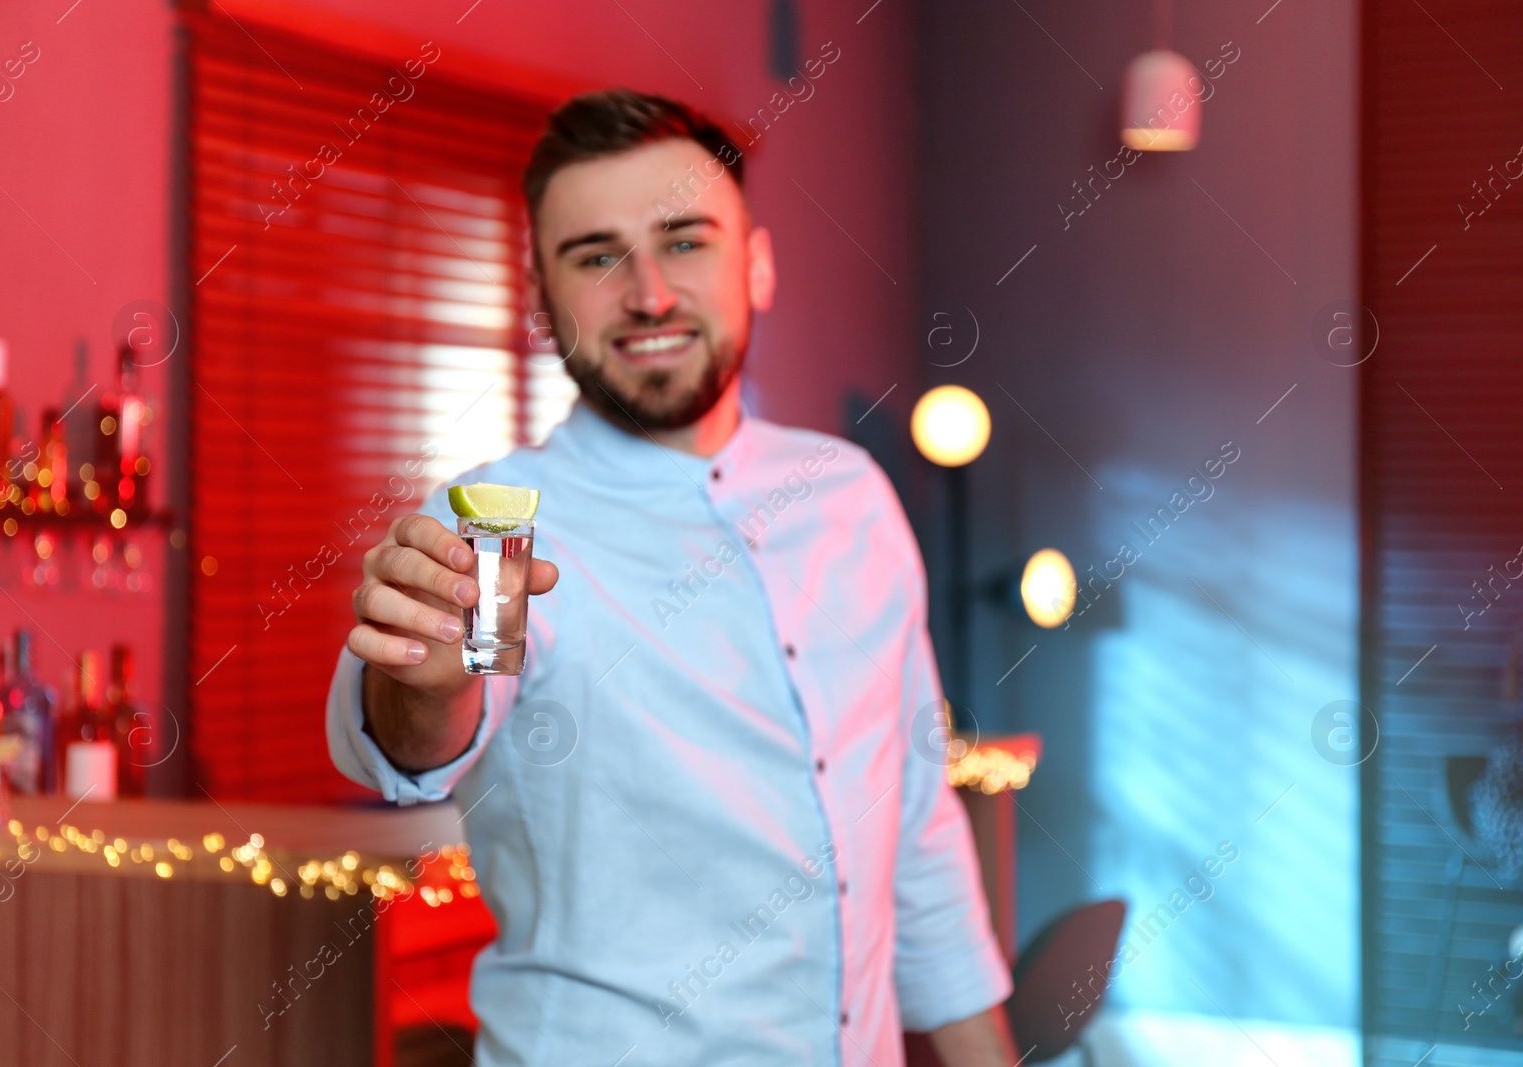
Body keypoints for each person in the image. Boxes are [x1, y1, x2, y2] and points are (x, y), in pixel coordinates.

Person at [327, 88, 1017, 1067]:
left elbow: (913, 823)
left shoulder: (852, 496)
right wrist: (420, 680)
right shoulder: (493, 520)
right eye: (595, 255)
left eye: (685, 241)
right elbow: (420, 729)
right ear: (538, 298)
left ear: (758, 264)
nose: (647, 292)